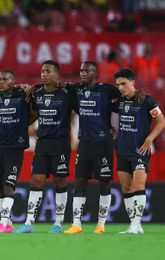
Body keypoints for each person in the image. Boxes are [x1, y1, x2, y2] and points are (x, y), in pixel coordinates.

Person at [64, 61, 144, 234]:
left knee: (104, 183)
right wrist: (33, 87)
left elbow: (126, 92)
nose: (83, 73)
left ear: (95, 73)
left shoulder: (107, 89)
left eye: (87, 71)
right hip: (84, 143)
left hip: (104, 143)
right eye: (81, 70)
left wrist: (139, 92)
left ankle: (101, 224)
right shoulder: (76, 89)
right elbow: (55, 85)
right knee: (80, 182)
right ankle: (76, 224)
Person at [13, 60, 76, 234]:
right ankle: (29, 223)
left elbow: (81, 108)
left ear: (57, 75)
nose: (44, 74)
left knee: (60, 180)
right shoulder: (37, 94)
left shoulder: (67, 94)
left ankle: (58, 223)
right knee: (36, 180)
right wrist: (17, 123)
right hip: (43, 142)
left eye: (48, 71)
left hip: (61, 142)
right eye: (42, 71)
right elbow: (32, 116)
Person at [112, 68, 165, 234]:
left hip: (140, 150)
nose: (120, 87)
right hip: (122, 149)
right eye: (118, 85)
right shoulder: (119, 102)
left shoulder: (147, 101)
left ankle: (136, 223)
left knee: (138, 185)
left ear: (133, 83)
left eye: (124, 84)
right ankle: (134, 225)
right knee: (126, 187)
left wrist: (149, 139)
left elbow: (161, 122)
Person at [0, 69, 35, 233]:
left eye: (5, 79)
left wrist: (24, 124)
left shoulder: (23, 96)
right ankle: (8, 223)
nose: (1, 82)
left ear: (13, 81)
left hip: (15, 146)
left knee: (8, 183)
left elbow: (37, 107)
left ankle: (3, 221)